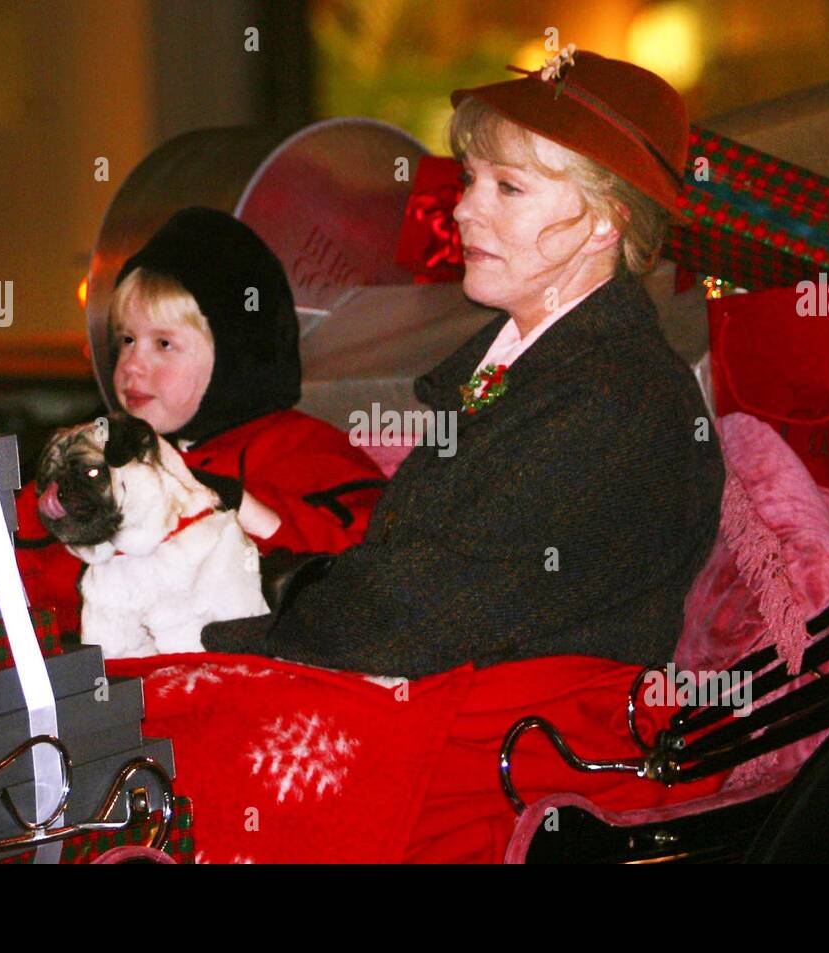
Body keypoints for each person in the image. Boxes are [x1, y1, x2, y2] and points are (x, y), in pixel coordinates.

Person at [202, 51, 725, 678]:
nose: (463, 210)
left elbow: (412, 621)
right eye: (470, 179)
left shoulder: (617, 400)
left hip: (518, 747)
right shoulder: (531, 368)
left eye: (508, 187)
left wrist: (207, 625)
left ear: (603, 223)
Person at [14, 208, 386, 635]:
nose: (132, 365)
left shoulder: (304, 449)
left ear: (235, 354)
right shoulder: (103, 450)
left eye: (164, 344)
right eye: (127, 339)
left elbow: (362, 571)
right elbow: (20, 565)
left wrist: (228, 499)